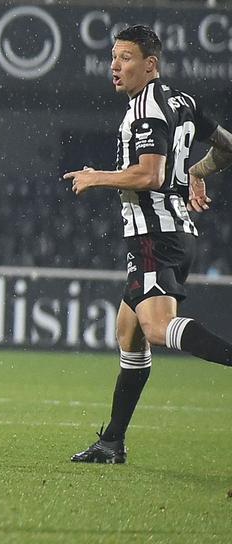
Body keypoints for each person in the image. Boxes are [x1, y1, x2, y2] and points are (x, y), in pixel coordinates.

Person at [65, 25, 232, 464]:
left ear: (150, 64)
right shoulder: (183, 101)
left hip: (155, 237)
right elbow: (228, 147)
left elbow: (150, 175)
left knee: (156, 329)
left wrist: (95, 176)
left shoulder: (146, 109)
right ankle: (111, 443)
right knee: (129, 332)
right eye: (112, 58)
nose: (114, 66)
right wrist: (198, 171)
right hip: (173, 234)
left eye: (125, 58)